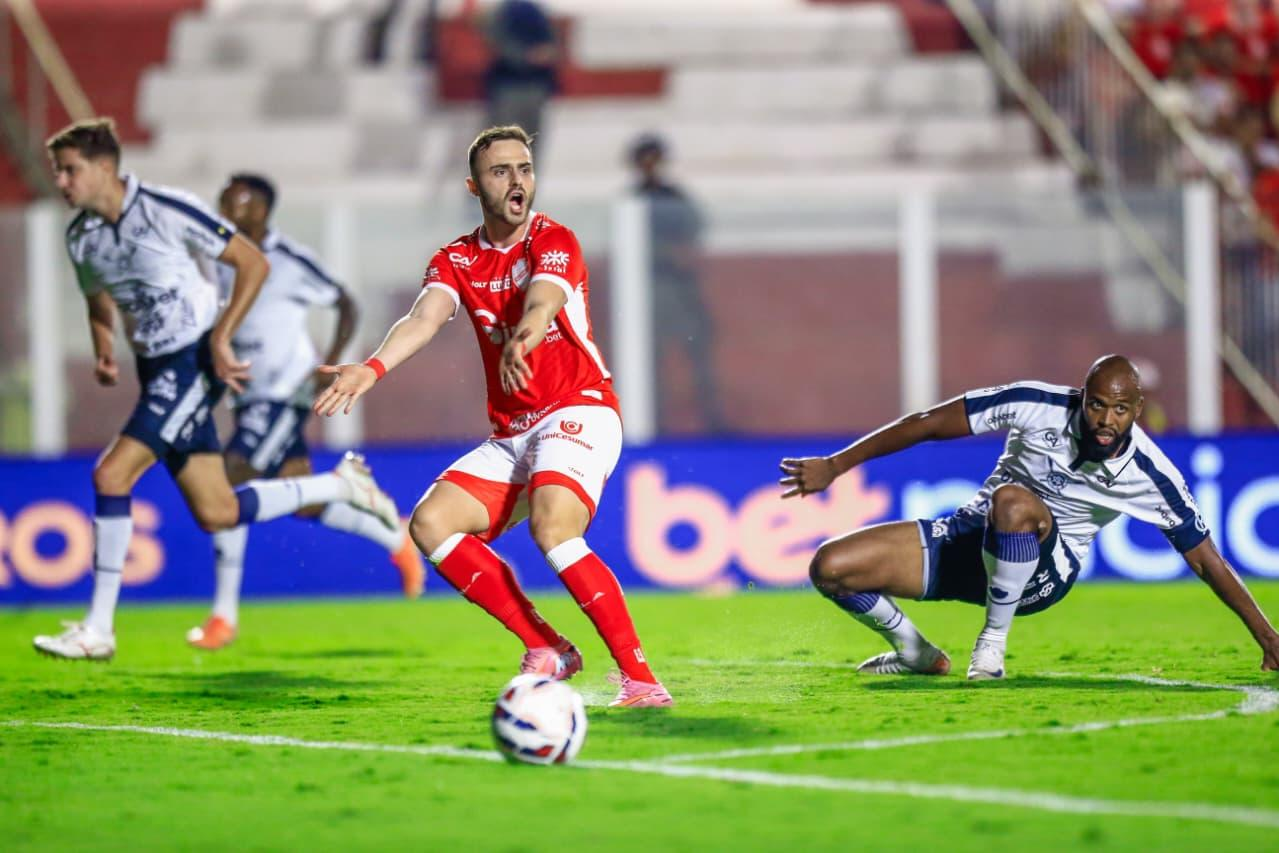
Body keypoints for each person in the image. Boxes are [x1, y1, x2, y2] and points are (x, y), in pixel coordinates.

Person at [314, 125, 673, 707]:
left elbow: (544, 300)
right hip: (514, 433)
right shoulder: (456, 258)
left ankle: (641, 680)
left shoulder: (553, 239)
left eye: (524, 169)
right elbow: (424, 318)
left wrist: (522, 341)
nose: (516, 181)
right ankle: (547, 646)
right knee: (431, 524)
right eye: (500, 171)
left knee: (553, 528)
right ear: (474, 186)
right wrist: (372, 369)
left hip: (578, 408)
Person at [33, 118, 399, 661]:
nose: (61, 182)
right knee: (218, 511)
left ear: (105, 167)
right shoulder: (81, 237)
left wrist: (222, 336)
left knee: (111, 474)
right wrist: (104, 347)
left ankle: (99, 629)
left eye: (70, 170)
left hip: (194, 361)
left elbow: (252, 262)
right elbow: (97, 299)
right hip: (155, 368)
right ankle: (339, 486)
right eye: (58, 172)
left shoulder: (165, 209)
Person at [779, 355, 1279, 680]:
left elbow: (1206, 560)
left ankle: (992, 644)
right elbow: (929, 423)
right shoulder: (1035, 404)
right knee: (831, 567)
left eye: (1120, 410)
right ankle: (915, 652)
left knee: (1014, 503)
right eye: (1097, 405)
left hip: (1042, 575)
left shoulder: (1151, 474)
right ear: (1082, 397)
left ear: (1138, 409)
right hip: (972, 535)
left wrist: (1269, 638)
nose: (1106, 420)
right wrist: (836, 465)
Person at [184, 173, 426, 651]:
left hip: (284, 391)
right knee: (303, 500)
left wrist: (330, 361)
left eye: (236, 201)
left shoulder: (289, 260)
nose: (225, 209)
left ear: (261, 209)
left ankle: (223, 617)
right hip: (247, 395)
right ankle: (394, 537)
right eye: (223, 201)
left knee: (228, 483)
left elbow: (346, 303)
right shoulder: (221, 257)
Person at [630, 133, 726, 433]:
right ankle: (654, 424)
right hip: (651, 290)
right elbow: (632, 245)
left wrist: (679, 254)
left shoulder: (675, 198)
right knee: (651, 362)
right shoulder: (633, 200)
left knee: (699, 353)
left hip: (680, 288)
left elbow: (694, 231)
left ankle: (711, 420)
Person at [481, 0, 557, 145]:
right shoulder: (499, 13)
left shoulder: (536, 12)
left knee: (531, 137)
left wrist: (547, 53)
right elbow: (498, 45)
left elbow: (551, 43)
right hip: (508, 87)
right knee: (503, 138)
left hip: (535, 86)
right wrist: (528, 56)